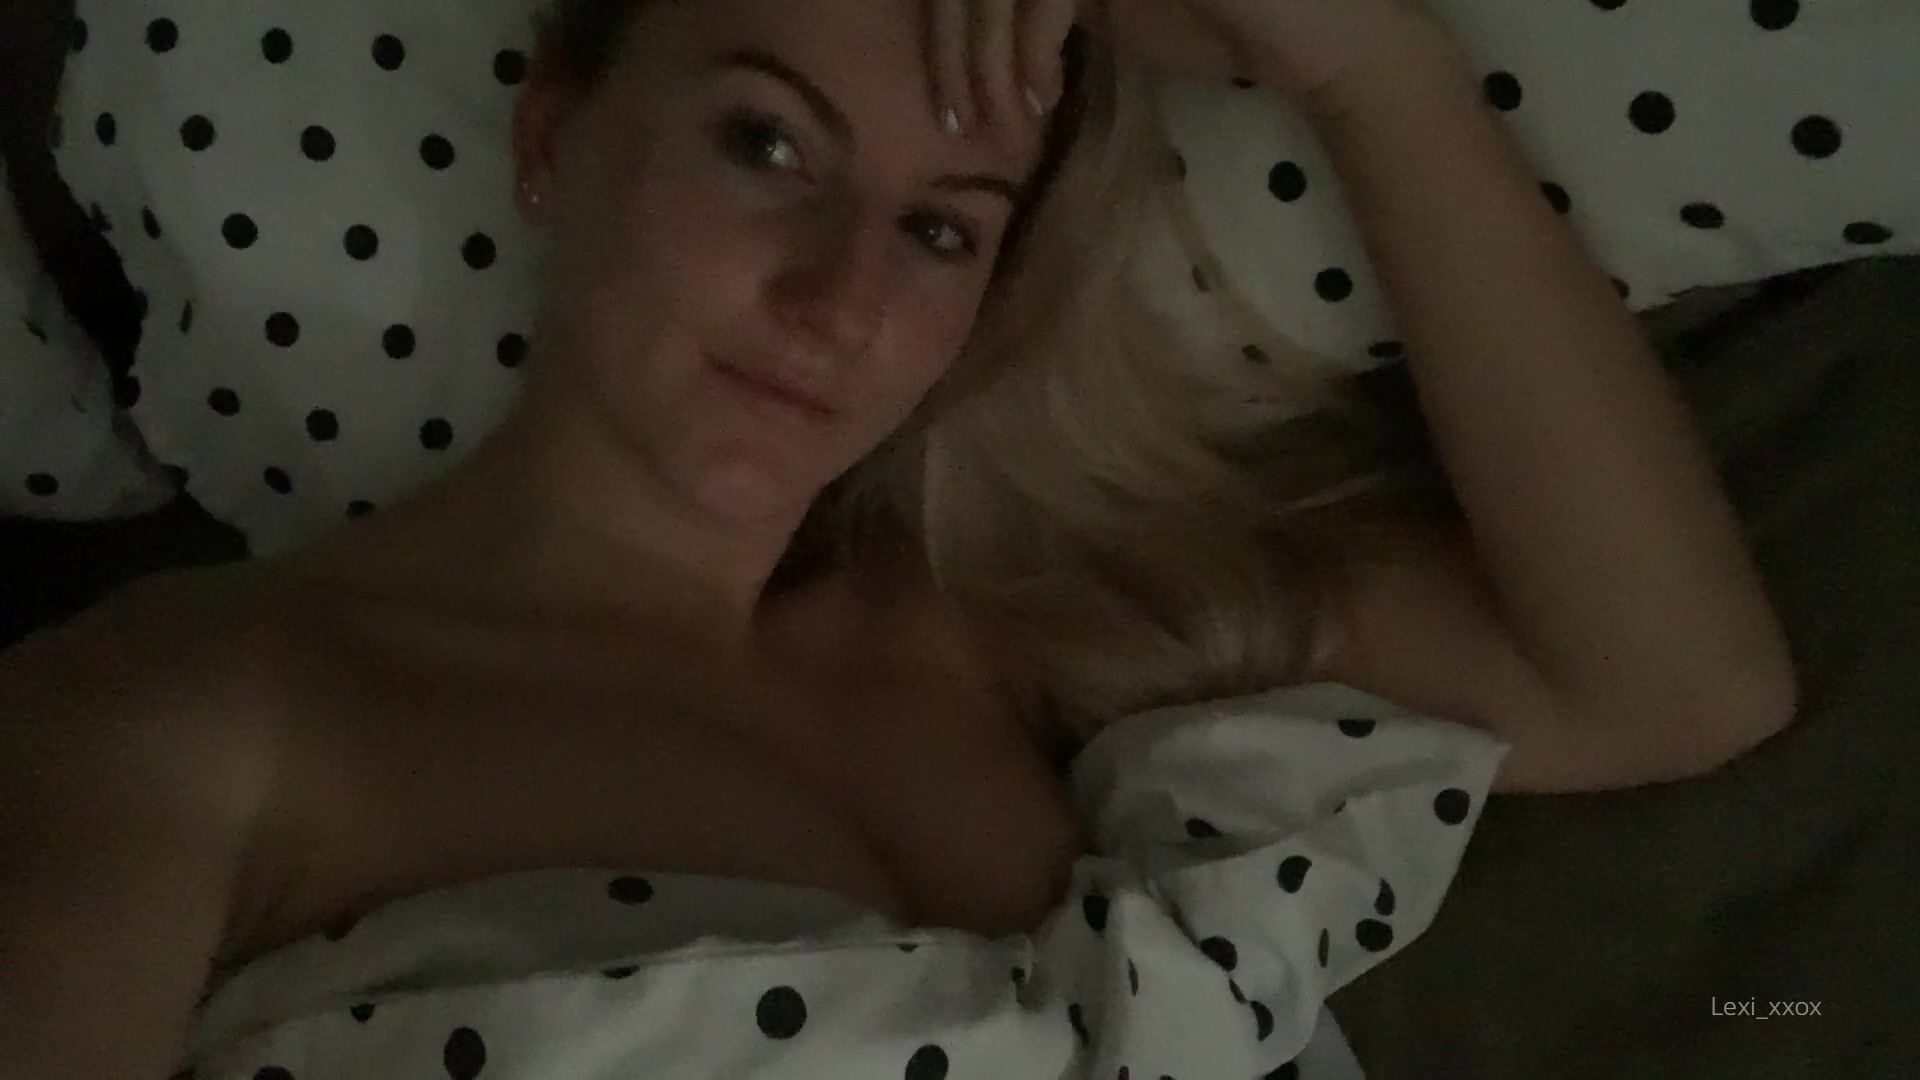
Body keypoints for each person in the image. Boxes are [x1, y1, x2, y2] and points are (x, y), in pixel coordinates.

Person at [1, 0, 1797, 1074]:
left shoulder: (1006, 623)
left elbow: (1677, 687)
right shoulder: (183, 716)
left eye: (942, 230)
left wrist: (1361, 64)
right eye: (767, 143)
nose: (839, 301)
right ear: (553, 135)